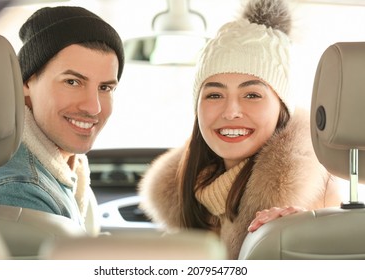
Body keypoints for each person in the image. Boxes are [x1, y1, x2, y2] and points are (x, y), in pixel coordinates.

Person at [137, 0, 342, 259]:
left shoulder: (315, 197)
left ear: (282, 108)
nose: (231, 111)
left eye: (252, 94)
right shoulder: (191, 193)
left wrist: (301, 244)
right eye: (214, 95)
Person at [0, 6, 124, 236]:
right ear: (27, 82)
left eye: (105, 87)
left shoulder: (61, 169)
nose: (93, 107)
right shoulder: (19, 192)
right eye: (72, 82)